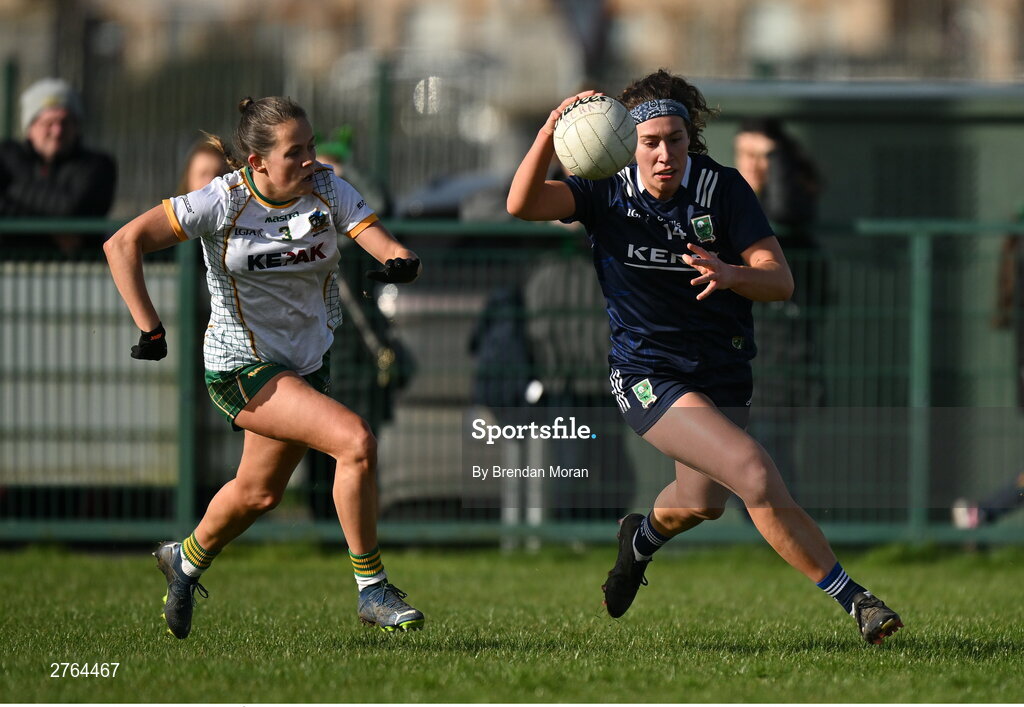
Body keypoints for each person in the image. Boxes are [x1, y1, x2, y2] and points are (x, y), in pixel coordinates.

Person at [506, 70, 903, 644]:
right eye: (650, 142)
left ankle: (638, 542)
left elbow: (780, 281)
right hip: (647, 371)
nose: (664, 153)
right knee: (753, 471)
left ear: (690, 138)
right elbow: (521, 204)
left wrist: (733, 273)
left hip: (721, 368)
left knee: (700, 502)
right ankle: (857, 601)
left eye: (675, 139)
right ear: (627, 142)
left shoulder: (723, 189)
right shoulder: (604, 187)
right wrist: (550, 129)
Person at [103, 96, 424, 638]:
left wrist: (398, 260)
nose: (309, 160)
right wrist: (150, 327)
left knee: (259, 494)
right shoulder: (221, 200)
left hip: (304, 363)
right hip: (239, 365)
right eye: (294, 152)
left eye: (311, 146)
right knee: (355, 441)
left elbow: (379, 240)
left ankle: (183, 559)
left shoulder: (327, 188)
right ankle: (373, 589)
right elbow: (122, 243)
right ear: (257, 163)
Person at [733, 118, 827, 497]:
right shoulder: (726, 201)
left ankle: (785, 541)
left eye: (764, 156)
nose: (754, 165)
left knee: (770, 458)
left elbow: (787, 212)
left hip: (784, 358)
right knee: (742, 460)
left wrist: (779, 162)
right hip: (739, 354)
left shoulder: (792, 205)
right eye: (746, 155)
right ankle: (774, 541)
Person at [0, 78, 117, 255]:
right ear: (30, 128)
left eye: (65, 122)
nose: (57, 131)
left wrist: (10, 188)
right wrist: (54, 230)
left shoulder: (98, 165)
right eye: (48, 123)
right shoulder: (7, 156)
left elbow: (71, 210)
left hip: (78, 274)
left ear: (77, 126)